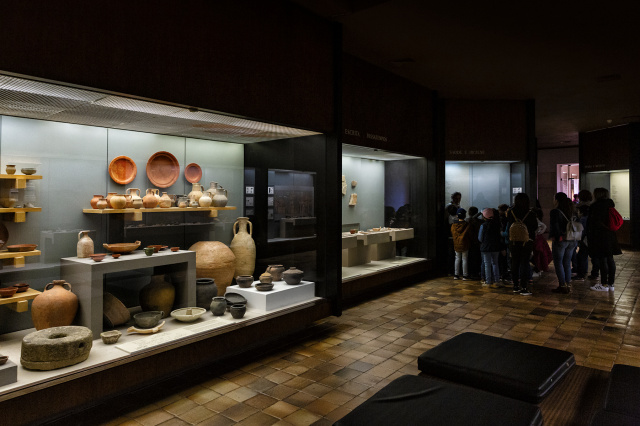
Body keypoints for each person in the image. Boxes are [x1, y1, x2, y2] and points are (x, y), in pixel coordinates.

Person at [587, 187, 622, 291]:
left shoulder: (595, 206)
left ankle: (604, 284)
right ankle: (611, 284)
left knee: (603, 260)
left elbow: (592, 223)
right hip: (610, 235)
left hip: (599, 236)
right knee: (610, 259)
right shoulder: (610, 205)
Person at [506, 193, 538, 295]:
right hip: (527, 241)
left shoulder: (511, 212)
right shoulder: (531, 213)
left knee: (514, 263)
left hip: (513, 241)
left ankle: (515, 286)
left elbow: (508, 225)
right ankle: (524, 287)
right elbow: (535, 227)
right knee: (524, 263)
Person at [549, 192, 576, 294]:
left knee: (558, 262)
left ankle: (562, 285)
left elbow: (555, 226)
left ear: (557, 200)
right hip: (572, 239)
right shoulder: (571, 210)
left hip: (561, 239)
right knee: (567, 262)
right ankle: (568, 284)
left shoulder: (555, 212)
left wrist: (556, 238)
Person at [478, 208, 503, 287]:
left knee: (487, 264)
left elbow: (480, 238)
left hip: (486, 247)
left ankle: (488, 282)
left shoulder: (483, 225)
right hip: (496, 247)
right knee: (495, 263)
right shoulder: (497, 224)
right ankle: (497, 280)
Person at [451, 208, 471, 280]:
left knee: (457, 258)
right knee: (464, 259)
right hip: (465, 243)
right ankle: (465, 275)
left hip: (456, 243)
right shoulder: (467, 225)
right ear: (465, 215)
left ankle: (456, 274)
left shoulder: (453, 225)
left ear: (457, 215)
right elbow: (469, 234)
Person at [466, 206, 482, 280]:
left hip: (470, 242)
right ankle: (476, 272)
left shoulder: (468, 221)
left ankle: (471, 273)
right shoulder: (479, 222)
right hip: (477, 242)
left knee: (471, 258)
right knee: (477, 258)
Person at [575, 204, 589, 280]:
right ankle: (583, 272)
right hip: (587, 240)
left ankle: (581, 275)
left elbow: (581, 231)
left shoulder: (583, 219)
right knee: (583, 256)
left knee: (581, 257)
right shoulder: (589, 218)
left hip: (584, 240)